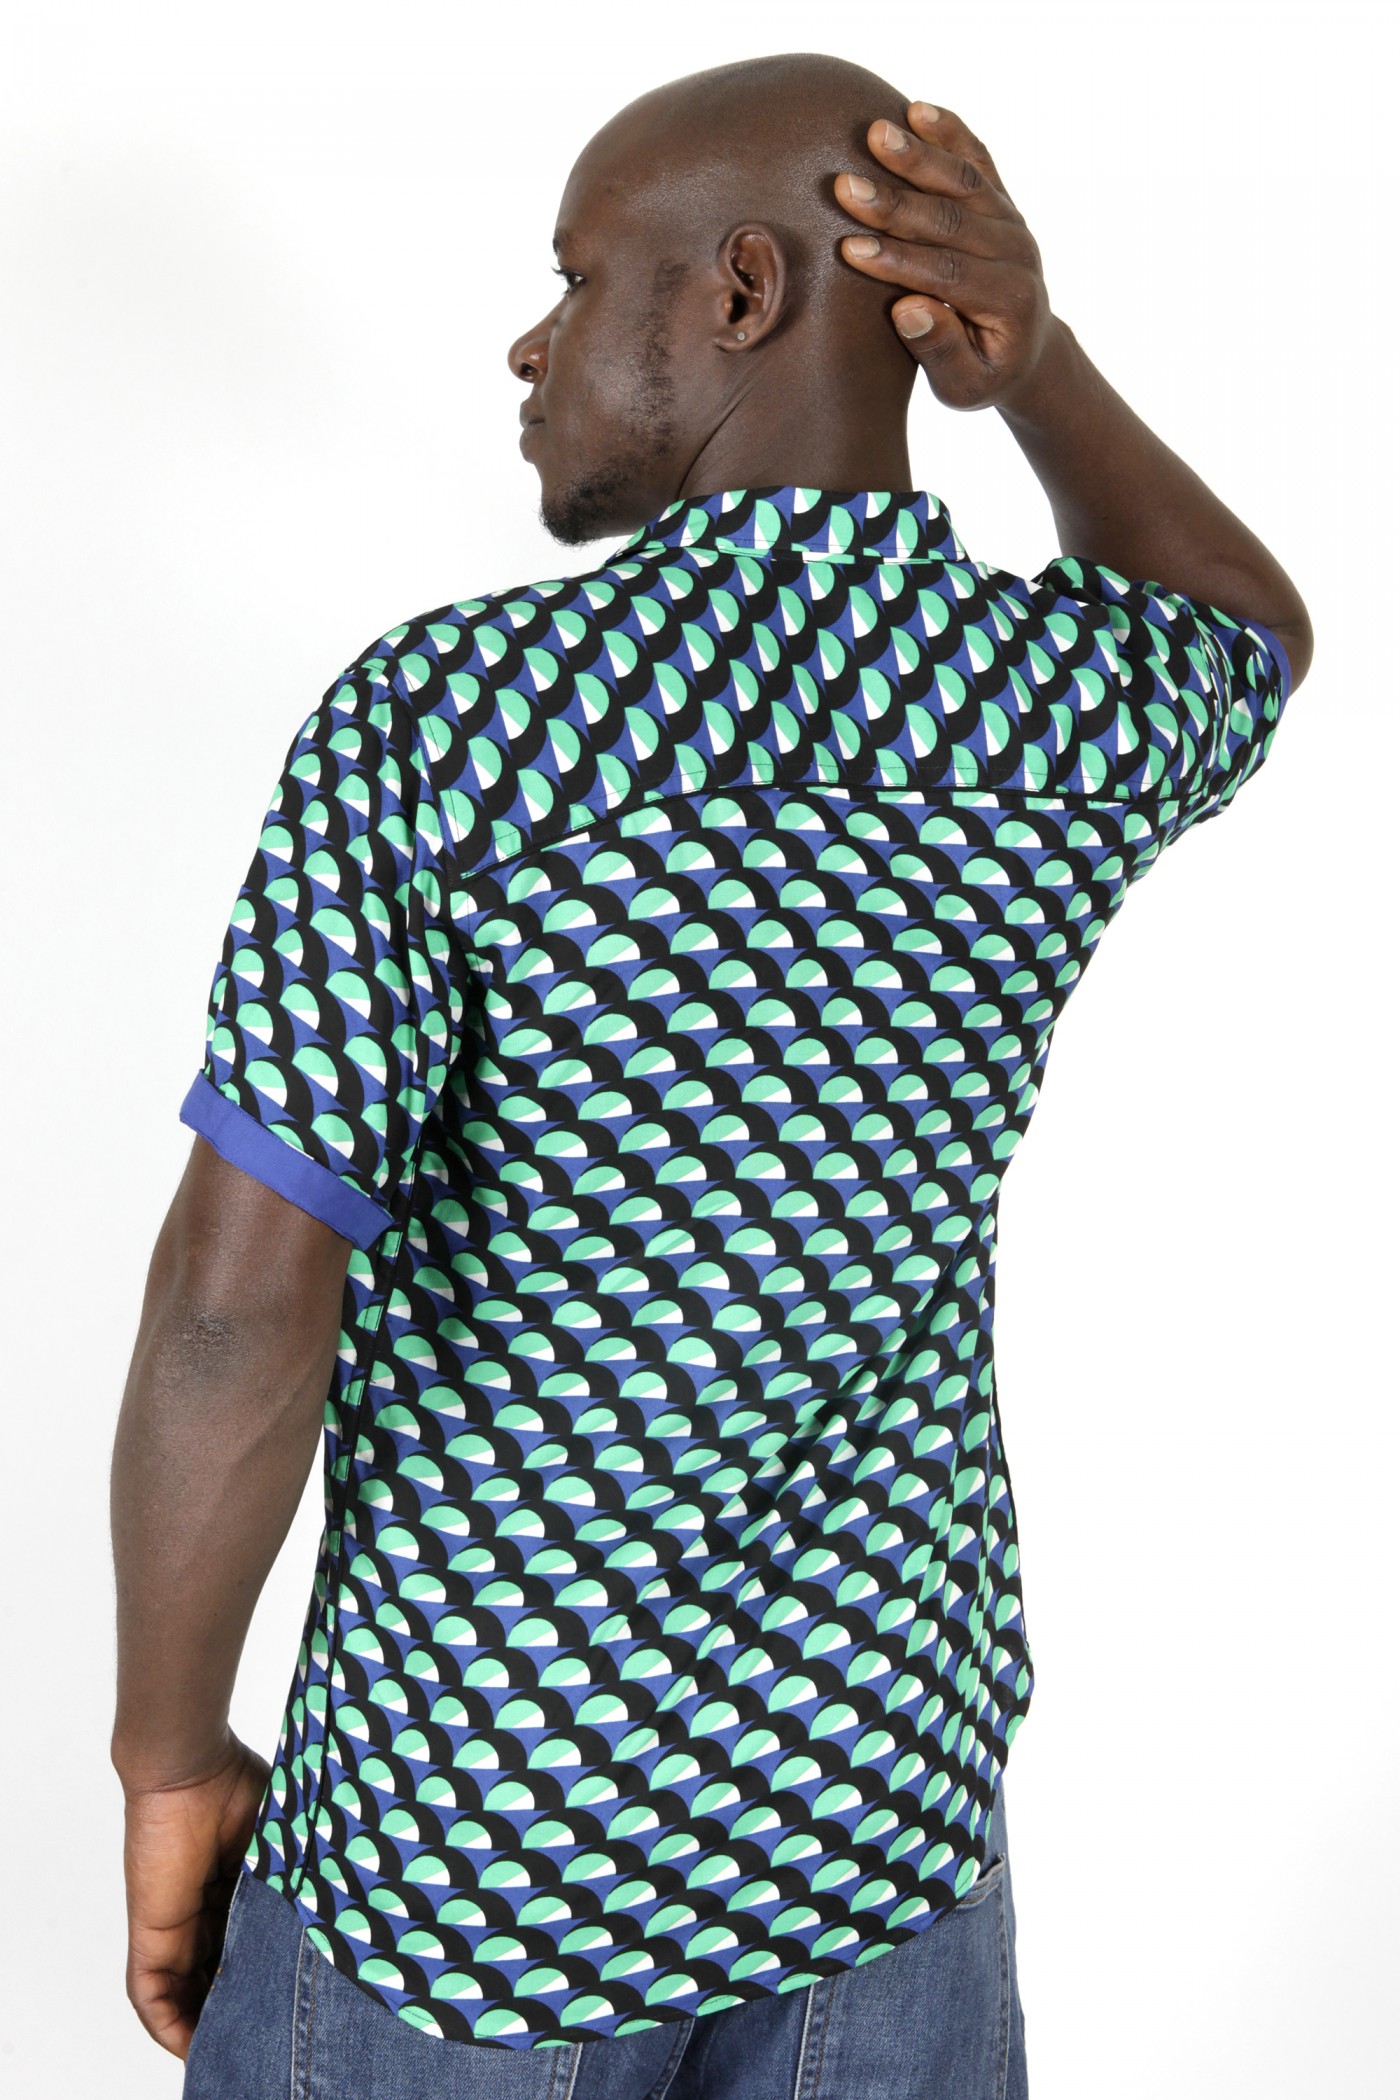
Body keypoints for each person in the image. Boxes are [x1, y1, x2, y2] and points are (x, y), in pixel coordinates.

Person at [108, 49, 1311, 2100]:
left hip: (478, 1864)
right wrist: (1032, 373)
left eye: (579, 279)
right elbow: (1244, 627)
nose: (534, 342)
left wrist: (165, 1753)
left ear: (742, 291)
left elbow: (239, 1307)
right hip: (878, 1826)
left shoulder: (453, 728)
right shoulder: (1044, 720)